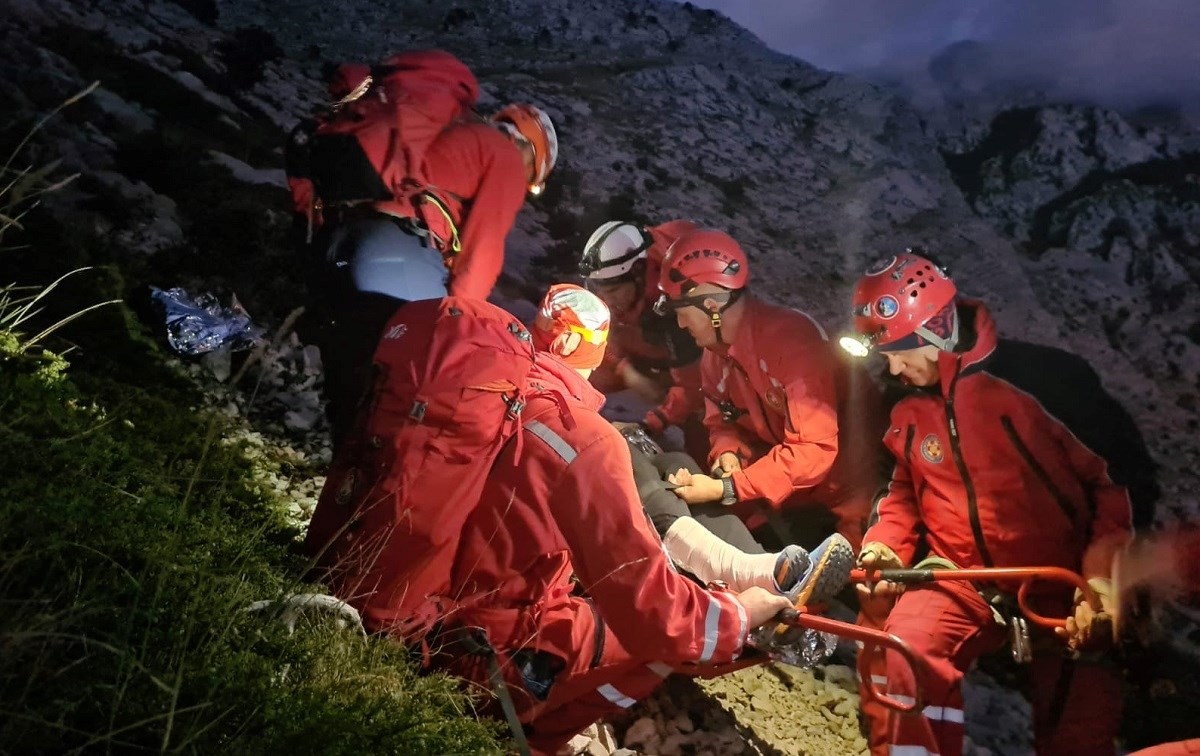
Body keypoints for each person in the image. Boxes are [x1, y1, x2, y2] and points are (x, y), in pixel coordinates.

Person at [308, 282, 846, 756]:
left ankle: (750, 578)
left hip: (392, 603)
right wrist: (734, 617)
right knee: (659, 632)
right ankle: (529, 733)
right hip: (474, 656)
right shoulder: (582, 440)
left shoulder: (480, 398)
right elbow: (654, 613)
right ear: (579, 347)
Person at [842, 250, 1160, 756]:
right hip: (961, 575)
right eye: (886, 355)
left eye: (901, 350)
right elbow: (901, 488)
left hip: (1065, 585)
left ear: (939, 327)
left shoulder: (1045, 383)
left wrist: (1104, 577)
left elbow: (1121, 482)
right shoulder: (903, 405)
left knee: (1077, 733)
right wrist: (884, 546)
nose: (895, 367)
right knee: (902, 652)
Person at [652, 227, 886, 552]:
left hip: (853, 486)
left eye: (682, 312)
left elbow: (814, 448)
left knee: (860, 585)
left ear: (710, 305)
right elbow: (721, 422)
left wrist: (729, 488)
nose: (680, 324)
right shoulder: (714, 358)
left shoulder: (791, 342)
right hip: (790, 491)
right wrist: (727, 453)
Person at [620, 423, 854, 606]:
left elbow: (810, 447)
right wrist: (727, 484)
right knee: (618, 453)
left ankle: (762, 575)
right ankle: (750, 575)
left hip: (824, 486)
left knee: (675, 461)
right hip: (819, 489)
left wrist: (729, 456)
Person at [579, 220, 708, 460]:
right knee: (589, 362)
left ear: (637, 275)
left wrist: (646, 426)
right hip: (646, 336)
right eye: (599, 289)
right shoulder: (617, 272)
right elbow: (599, 334)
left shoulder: (677, 304)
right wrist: (625, 369)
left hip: (698, 358)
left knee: (702, 415)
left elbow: (693, 387)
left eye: (613, 290)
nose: (605, 298)